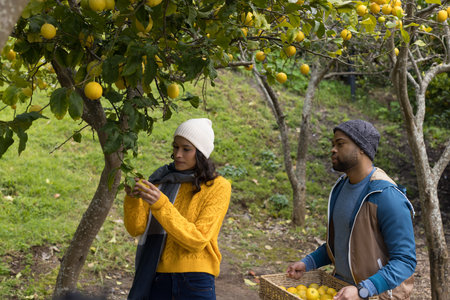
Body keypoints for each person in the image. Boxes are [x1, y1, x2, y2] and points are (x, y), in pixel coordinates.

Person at [286, 120, 416, 300]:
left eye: (340, 144)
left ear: (362, 147)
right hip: (340, 291)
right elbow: (341, 244)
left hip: (376, 295)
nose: (333, 149)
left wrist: (364, 289)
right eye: (333, 145)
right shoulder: (340, 188)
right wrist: (308, 263)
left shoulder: (386, 196)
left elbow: (405, 261)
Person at [123, 118, 231, 300]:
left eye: (186, 149)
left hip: (195, 281)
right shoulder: (161, 180)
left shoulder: (217, 186)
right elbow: (136, 229)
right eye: (175, 147)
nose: (178, 154)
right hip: (157, 278)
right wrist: (133, 199)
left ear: (201, 153)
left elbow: (198, 240)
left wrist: (161, 205)